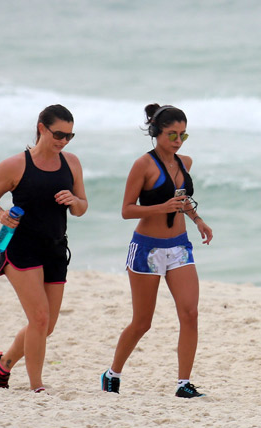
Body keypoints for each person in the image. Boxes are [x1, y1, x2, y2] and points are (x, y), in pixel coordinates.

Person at [101, 103, 213, 398]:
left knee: (190, 313)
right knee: (142, 322)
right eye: (172, 134)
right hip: (147, 249)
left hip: (179, 247)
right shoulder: (144, 165)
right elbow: (127, 210)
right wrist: (160, 208)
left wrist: (198, 220)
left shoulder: (185, 162)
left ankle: (183, 383)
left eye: (183, 135)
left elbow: (182, 199)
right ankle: (112, 373)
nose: (178, 141)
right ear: (156, 133)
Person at [0, 104, 88, 393]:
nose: (63, 141)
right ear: (42, 128)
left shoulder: (72, 163)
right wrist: (0, 214)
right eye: (59, 134)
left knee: (46, 326)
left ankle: (2, 363)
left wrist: (73, 201)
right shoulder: (15, 165)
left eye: (70, 136)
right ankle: (37, 386)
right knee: (39, 318)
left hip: (55, 248)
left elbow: (82, 207)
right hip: (21, 248)